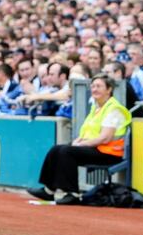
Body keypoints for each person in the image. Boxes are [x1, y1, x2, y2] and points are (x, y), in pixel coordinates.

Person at [27, 74, 131, 205]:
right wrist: (78, 141)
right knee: (56, 149)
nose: (94, 89)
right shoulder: (97, 107)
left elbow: (105, 137)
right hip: (94, 148)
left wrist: (81, 144)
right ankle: (49, 190)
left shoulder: (114, 109)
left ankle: (72, 193)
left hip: (109, 153)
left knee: (66, 151)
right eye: (92, 86)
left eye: (99, 86)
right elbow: (87, 131)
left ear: (109, 89)